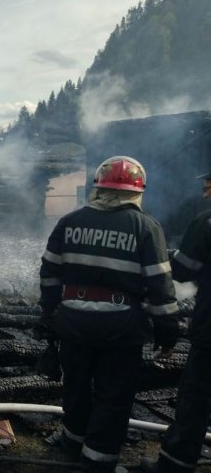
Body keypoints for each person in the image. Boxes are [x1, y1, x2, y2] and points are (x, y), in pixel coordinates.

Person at [37, 156, 179, 473]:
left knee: (75, 386)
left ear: (98, 188)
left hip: (72, 322)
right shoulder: (146, 227)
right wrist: (167, 332)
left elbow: (49, 273)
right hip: (121, 329)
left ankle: (72, 441)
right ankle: (98, 461)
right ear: (137, 192)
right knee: (113, 396)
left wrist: (49, 314)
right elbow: (160, 287)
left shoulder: (69, 221)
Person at [142, 171, 211, 473]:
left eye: (209, 186)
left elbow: (184, 269)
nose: (205, 193)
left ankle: (174, 465)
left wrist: (163, 255)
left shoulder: (206, 222)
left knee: (196, 398)